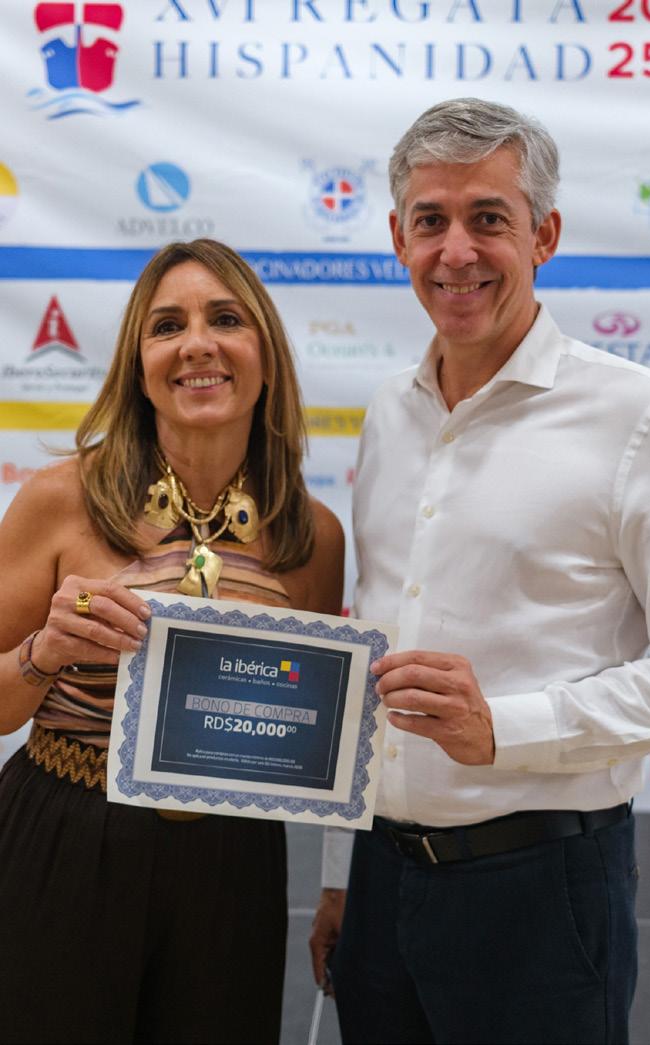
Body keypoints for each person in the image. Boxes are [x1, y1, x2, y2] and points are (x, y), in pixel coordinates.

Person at [309, 97, 650, 1045]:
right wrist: (336, 873)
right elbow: (370, 654)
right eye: (431, 220)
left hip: (541, 890)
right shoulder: (388, 413)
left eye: (488, 217)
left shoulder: (641, 417)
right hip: (379, 880)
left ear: (544, 236)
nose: (456, 251)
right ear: (397, 238)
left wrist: (506, 728)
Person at [0, 237, 344, 1045]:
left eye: (225, 319)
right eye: (166, 325)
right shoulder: (60, 497)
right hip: (66, 835)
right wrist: (43, 652)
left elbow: (306, 739)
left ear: (266, 354)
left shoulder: (312, 534)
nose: (197, 344)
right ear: (139, 362)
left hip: (234, 857)